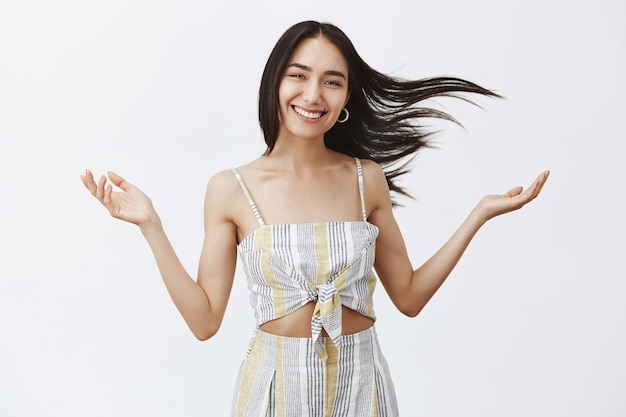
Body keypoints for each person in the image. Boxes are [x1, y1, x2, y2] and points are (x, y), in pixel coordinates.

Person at [81, 20, 549, 417]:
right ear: (275, 84)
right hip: (274, 391)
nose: (313, 94)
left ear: (346, 95)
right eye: (298, 75)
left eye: (332, 80)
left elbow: (408, 296)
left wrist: (480, 214)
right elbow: (205, 322)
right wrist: (152, 227)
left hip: (362, 384)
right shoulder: (231, 188)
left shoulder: (366, 179)